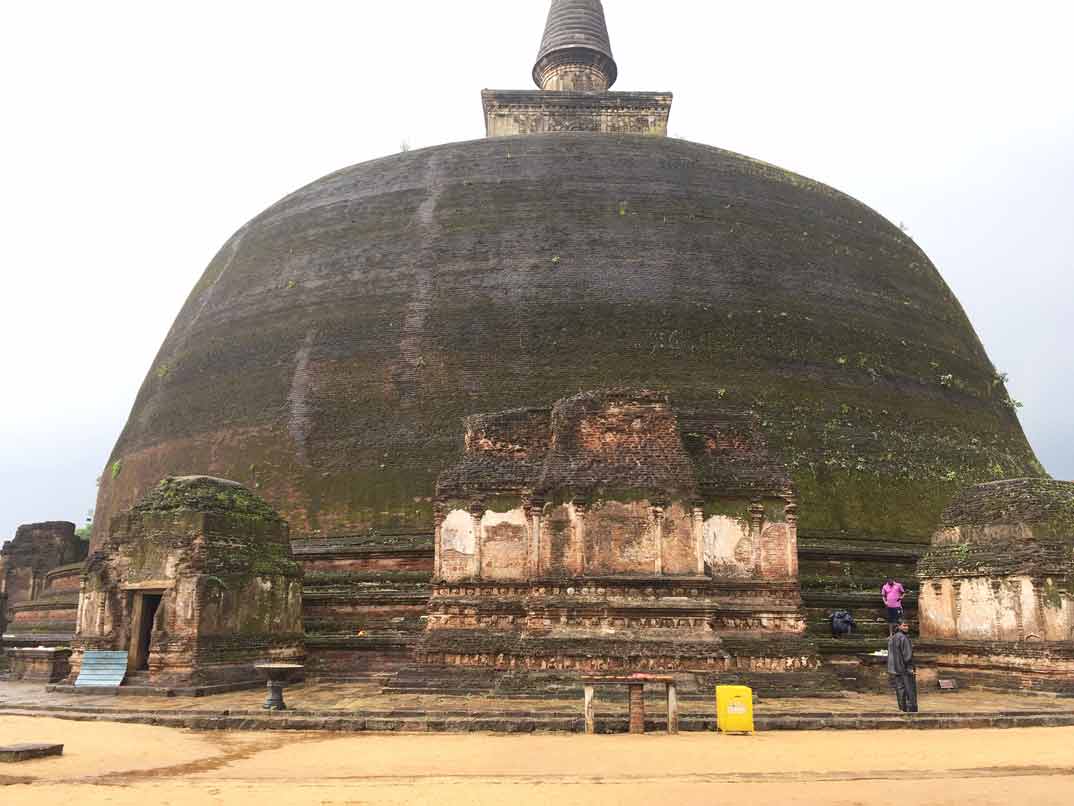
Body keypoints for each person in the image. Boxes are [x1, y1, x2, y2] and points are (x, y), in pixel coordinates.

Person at [887, 620, 918, 712]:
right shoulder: (904, 638)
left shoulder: (892, 638)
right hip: (905, 669)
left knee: (900, 689)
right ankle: (911, 710)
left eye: (907, 626)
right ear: (899, 626)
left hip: (895, 669)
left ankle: (902, 708)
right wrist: (910, 668)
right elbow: (907, 656)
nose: (906, 627)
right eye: (904, 625)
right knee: (909, 690)